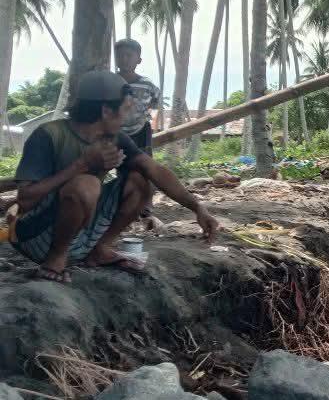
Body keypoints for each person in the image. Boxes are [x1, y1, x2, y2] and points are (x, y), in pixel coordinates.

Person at [9, 70, 220, 283]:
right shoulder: (48, 135)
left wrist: (198, 208)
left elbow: (155, 170)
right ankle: (55, 259)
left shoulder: (116, 139)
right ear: (106, 111)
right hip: (35, 236)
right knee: (87, 183)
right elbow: (25, 199)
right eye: (126, 109)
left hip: (80, 234)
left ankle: (100, 248)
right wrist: (82, 165)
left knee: (141, 181)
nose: (128, 117)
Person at [114, 38, 162, 230]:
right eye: (120, 55)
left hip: (141, 131)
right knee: (120, 167)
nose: (124, 59)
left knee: (146, 167)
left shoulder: (147, 84)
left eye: (129, 55)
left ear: (138, 60)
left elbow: (155, 104)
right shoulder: (111, 82)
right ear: (115, 59)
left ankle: (146, 205)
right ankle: (122, 204)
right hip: (115, 131)